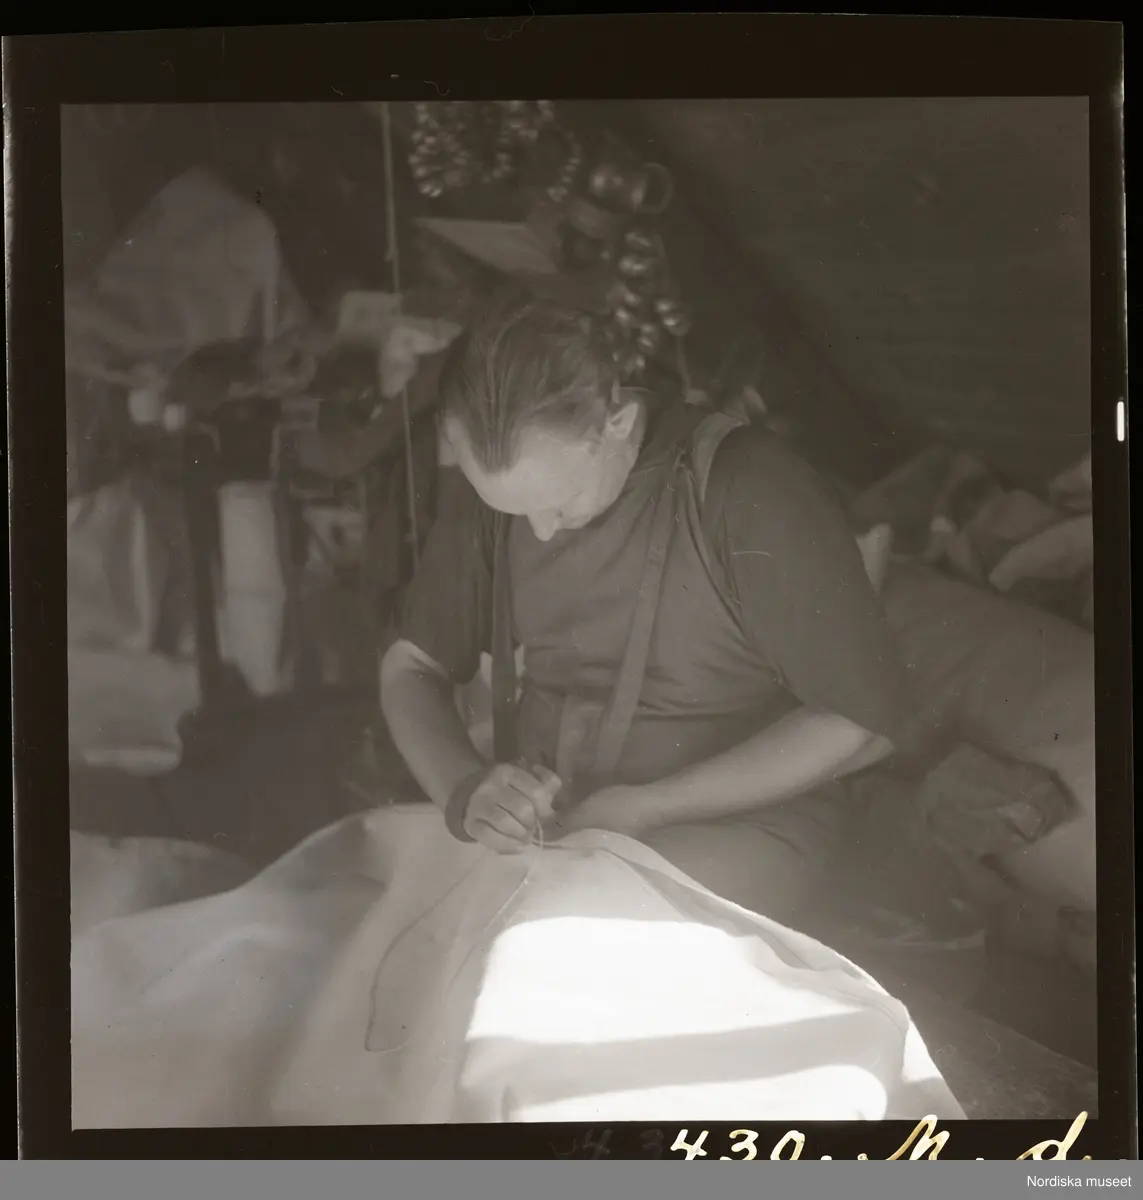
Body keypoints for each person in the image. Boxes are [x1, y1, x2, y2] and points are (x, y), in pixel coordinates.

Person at [380, 291, 916, 924]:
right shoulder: (509, 488)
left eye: (560, 504)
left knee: (571, 940)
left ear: (618, 424)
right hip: (561, 822)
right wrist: (467, 791)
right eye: (516, 511)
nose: (540, 531)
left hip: (731, 822)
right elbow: (411, 667)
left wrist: (651, 806)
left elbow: (858, 721)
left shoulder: (744, 487)